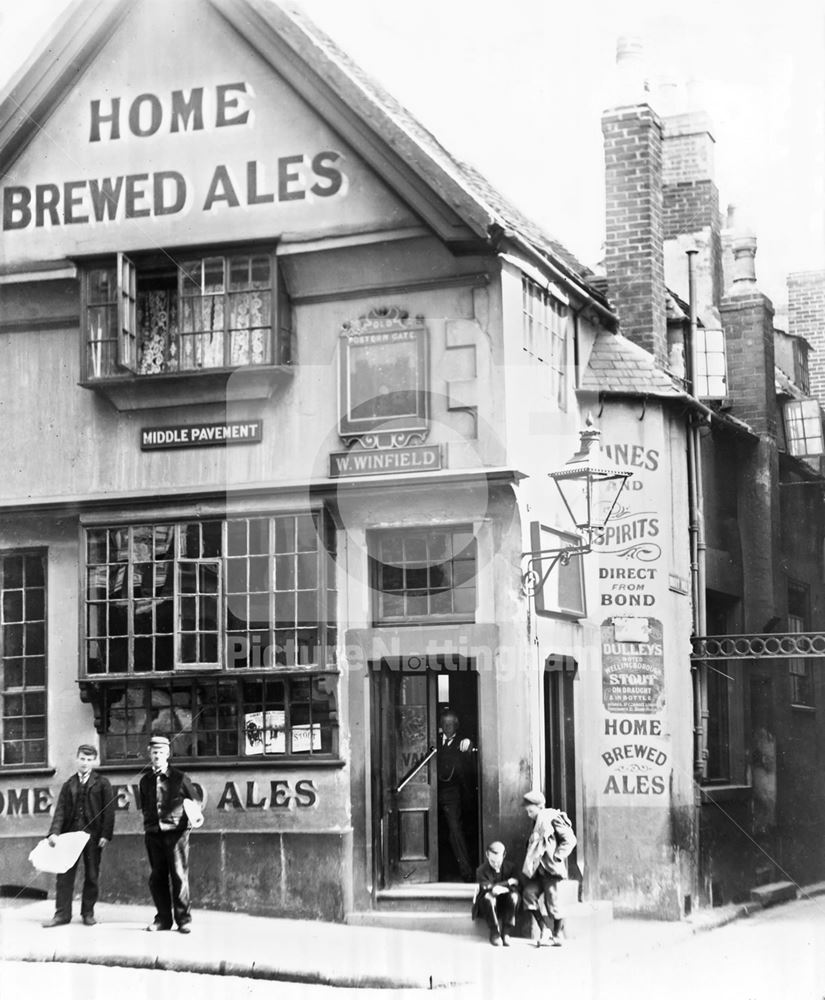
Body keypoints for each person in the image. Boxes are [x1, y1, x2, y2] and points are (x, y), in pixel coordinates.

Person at [42, 744, 115, 928]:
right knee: (64, 875)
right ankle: (62, 914)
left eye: (89, 759)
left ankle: (88, 913)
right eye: (82, 758)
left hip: (93, 836)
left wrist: (105, 834)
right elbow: (60, 811)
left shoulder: (102, 783)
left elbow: (109, 812)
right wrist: (54, 833)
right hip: (70, 837)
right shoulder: (69, 785)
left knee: (91, 874)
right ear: (77, 759)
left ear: (94, 761)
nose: (85, 763)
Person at [139, 735, 200, 934]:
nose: (157, 756)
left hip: (176, 834)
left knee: (179, 876)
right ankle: (163, 919)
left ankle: (183, 920)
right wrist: (150, 826)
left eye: (161, 752)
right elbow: (145, 806)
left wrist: (187, 826)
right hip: (154, 833)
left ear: (168, 754)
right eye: (154, 752)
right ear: (150, 754)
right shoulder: (145, 780)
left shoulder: (180, 777)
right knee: (157, 878)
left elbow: (195, 803)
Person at [520, 790, 577, 947]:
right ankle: (545, 930)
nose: (528, 814)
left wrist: (558, 856)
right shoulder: (536, 821)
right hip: (537, 871)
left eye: (531, 811)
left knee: (553, 904)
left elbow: (570, 840)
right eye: (527, 811)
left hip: (550, 871)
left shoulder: (551, 817)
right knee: (528, 894)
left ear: (540, 807)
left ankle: (558, 935)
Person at [436, 708, 475, 881]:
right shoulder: (434, 740)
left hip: (451, 793)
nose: (448, 727)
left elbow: (469, 749)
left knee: (455, 831)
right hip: (432, 791)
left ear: (457, 725)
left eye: (451, 724)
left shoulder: (462, 741)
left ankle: (466, 872)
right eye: (445, 724)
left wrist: (469, 744)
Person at [472, 841, 520, 946]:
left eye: (498, 861)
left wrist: (499, 887)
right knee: (488, 897)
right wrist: (508, 883)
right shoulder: (481, 870)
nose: (496, 864)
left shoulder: (511, 867)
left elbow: (516, 884)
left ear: (504, 855)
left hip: (505, 903)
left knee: (514, 897)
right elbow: (486, 887)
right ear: (487, 855)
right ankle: (494, 932)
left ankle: (506, 932)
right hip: (488, 905)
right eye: (492, 861)